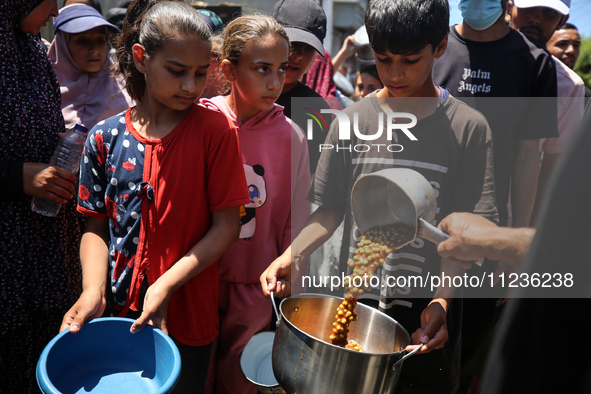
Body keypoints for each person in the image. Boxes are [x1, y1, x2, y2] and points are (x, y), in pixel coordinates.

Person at [262, 0, 499, 392]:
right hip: (355, 309)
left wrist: (441, 300)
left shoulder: (467, 129)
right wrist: (292, 254)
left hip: (424, 323)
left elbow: (466, 236)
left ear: (439, 47)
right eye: (383, 58)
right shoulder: (353, 122)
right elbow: (330, 210)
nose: (394, 73)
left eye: (409, 60)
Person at [59, 1, 250, 392]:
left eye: (200, 74)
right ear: (142, 59)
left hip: (186, 319)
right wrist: (92, 290)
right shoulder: (104, 136)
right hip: (115, 315)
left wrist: (164, 285)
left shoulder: (214, 131)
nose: (190, 87)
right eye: (177, 72)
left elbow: (226, 225)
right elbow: (96, 226)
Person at [200, 15, 311, 394]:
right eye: (262, 69)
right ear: (228, 70)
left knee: (239, 380)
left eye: (281, 70)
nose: (275, 82)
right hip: (195, 278)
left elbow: (298, 219)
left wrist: (292, 270)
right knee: (195, 374)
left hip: (256, 289)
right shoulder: (200, 122)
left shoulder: (291, 137)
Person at [0, 0, 83, 392]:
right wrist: (15, 175)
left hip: (41, 249)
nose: (54, 12)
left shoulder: (31, 52)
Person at [505, 0, 585, 226]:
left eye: (549, 12)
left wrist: (526, 237)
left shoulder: (570, 86)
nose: (536, 18)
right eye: (529, 6)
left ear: (562, 20)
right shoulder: (464, 56)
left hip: (509, 225)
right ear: (510, 6)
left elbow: (551, 170)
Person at [49, 4, 134, 131]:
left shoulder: (123, 89)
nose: (94, 50)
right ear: (62, 45)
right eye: (82, 41)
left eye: (100, 41)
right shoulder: (43, 89)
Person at [272, 0, 331, 175]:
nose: (298, 56)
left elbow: (312, 178)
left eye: (309, 48)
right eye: (292, 44)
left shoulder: (314, 109)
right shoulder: (239, 92)